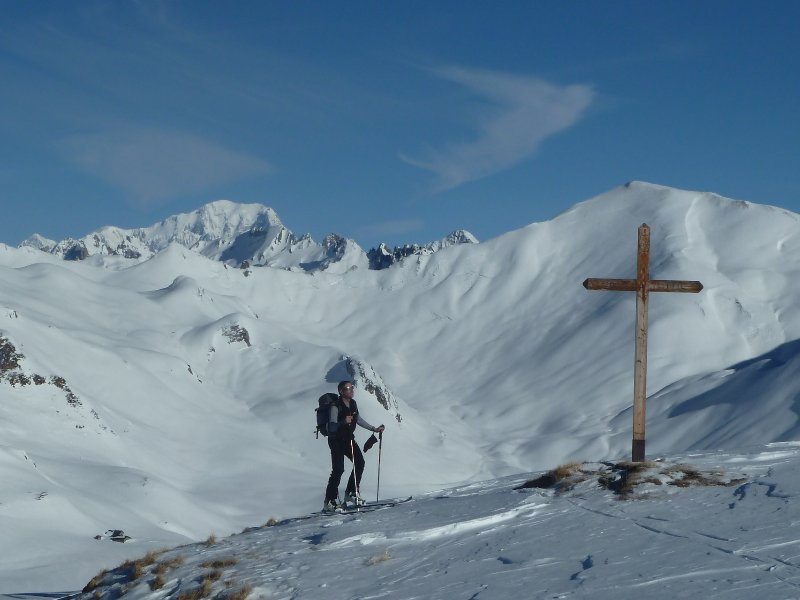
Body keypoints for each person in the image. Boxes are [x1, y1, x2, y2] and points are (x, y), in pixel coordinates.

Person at [323, 380, 385, 511]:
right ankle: (329, 501)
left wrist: (374, 429)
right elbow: (332, 426)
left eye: (352, 387)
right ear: (341, 391)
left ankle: (350, 493)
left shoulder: (353, 404)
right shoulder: (335, 406)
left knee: (360, 463)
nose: (351, 390)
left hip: (348, 439)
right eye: (348, 388)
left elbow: (359, 419)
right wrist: (343, 422)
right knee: (338, 469)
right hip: (336, 440)